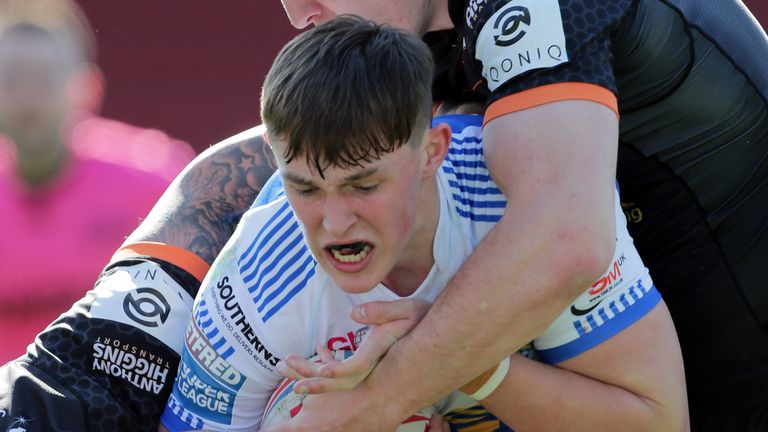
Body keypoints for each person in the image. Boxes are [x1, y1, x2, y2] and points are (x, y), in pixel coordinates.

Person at [156, 16, 685, 431]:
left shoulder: (530, 200)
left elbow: (660, 422)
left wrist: (464, 358)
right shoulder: (252, 289)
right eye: (306, 189)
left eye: (365, 186)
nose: (335, 224)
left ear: (433, 152)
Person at [0, 0, 195, 364]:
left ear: (87, 88)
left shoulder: (153, 182)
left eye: (42, 79)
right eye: (11, 79)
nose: (27, 99)